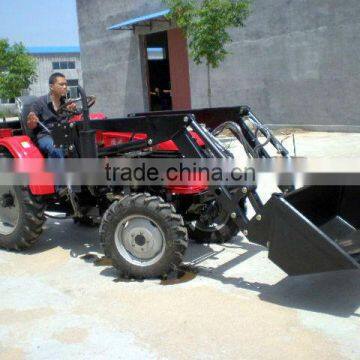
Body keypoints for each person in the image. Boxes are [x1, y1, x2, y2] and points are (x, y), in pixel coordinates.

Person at [27, 72, 77, 158]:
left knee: (81, 142)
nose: (65, 87)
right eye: (61, 84)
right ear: (51, 86)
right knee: (55, 147)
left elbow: (70, 121)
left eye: (66, 84)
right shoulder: (39, 102)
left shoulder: (66, 103)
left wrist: (72, 112)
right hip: (45, 135)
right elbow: (31, 125)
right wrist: (31, 120)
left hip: (61, 134)